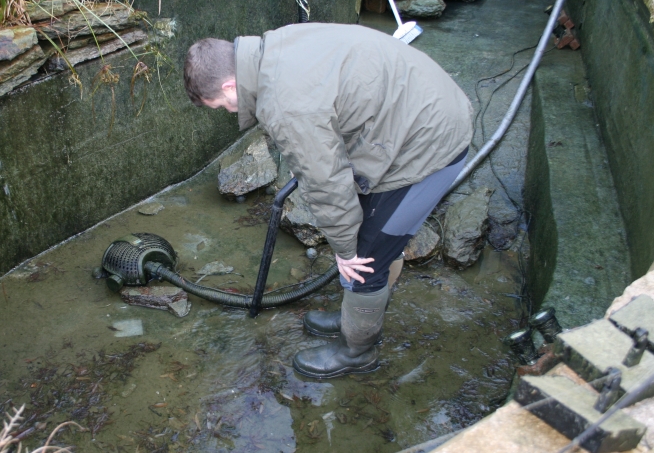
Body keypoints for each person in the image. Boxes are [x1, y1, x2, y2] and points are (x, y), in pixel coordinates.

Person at [184, 23, 473, 379]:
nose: (229, 111)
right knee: (369, 241)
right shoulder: (273, 46)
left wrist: (345, 250)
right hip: (416, 107)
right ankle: (357, 314)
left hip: (428, 146)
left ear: (230, 85)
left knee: (364, 258)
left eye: (223, 105)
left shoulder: (286, 106)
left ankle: (358, 351)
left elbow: (327, 183)